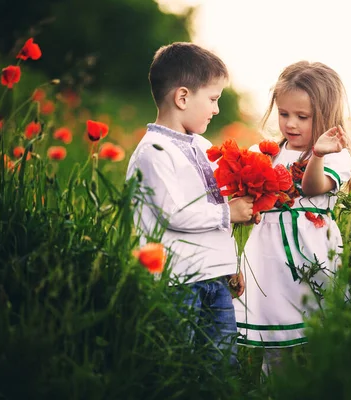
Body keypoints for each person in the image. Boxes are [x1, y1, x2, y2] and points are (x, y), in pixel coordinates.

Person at [125, 42, 253, 368]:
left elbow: (215, 200)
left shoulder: (202, 145)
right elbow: (175, 213)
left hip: (214, 278)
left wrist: (230, 263)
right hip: (176, 281)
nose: (216, 110)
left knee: (221, 363)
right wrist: (230, 212)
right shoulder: (154, 150)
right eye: (212, 99)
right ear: (182, 98)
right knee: (175, 363)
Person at [233, 61, 351, 376]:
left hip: (314, 253)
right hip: (268, 258)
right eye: (284, 114)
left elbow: (312, 187)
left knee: (321, 336)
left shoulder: (334, 155)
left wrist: (317, 155)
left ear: (326, 115)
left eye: (302, 117)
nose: (291, 124)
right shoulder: (264, 153)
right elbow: (242, 202)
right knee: (277, 343)